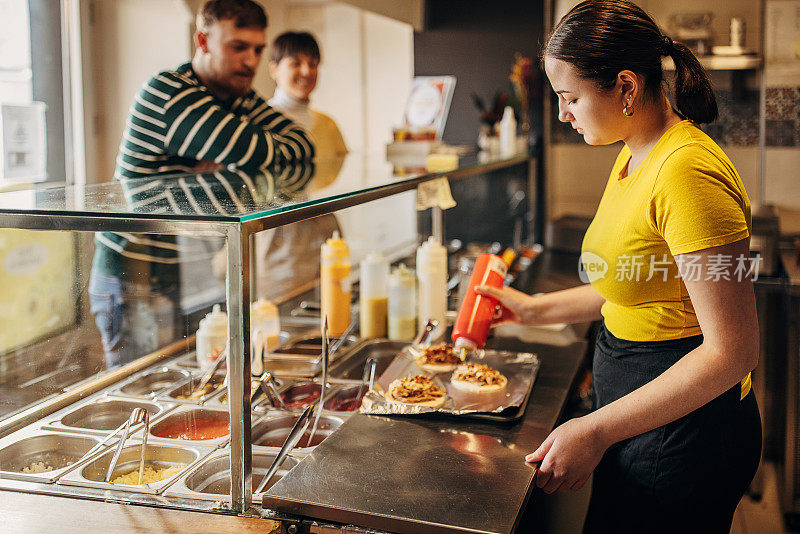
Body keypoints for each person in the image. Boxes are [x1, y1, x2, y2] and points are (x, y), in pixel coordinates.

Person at [476, 1, 761, 532]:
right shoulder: (634, 153)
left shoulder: (685, 173)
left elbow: (733, 351)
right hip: (643, 411)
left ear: (626, 88)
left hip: (685, 431)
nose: (563, 114)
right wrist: (533, 311)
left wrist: (596, 430)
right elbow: (635, 282)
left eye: (570, 97)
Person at [90, 0, 314, 368]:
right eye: (237, 46)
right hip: (130, 272)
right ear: (203, 40)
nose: (250, 60)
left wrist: (235, 151)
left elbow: (303, 147)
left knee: (169, 377)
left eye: (257, 49)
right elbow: (252, 150)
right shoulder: (168, 91)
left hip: (169, 263)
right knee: (141, 383)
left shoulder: (234, 98)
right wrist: (242, 149)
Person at [267, 31, 348, 161]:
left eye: (313, 64)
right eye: (296, 63)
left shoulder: (329, 125)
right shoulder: (262, 123)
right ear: (274, 70)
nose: (306, 72)